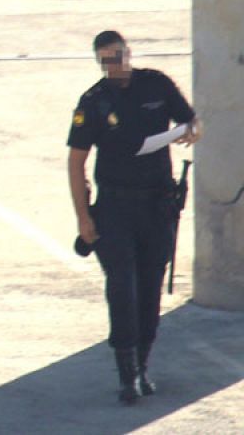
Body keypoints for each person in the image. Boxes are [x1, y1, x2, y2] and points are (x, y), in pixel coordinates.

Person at [68, 31, 201, 404]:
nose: (115, 65)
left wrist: (192, 130)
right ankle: (127, 373)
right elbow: (76, 161)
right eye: (106, 60)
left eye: (119, 56)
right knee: (122, 288)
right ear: (99, 63)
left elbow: (191, 120)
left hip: (156, 206)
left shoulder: (155, 85)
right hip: (114, 208)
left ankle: (142, 364)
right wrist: (83, 216)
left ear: (129, 53)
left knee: (148, 288)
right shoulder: (94, 102)